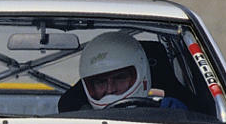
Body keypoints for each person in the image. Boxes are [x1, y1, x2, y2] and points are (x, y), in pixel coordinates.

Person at [58, 32, 186, 112]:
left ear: (142, 76)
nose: (110, 89)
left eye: (119, 78)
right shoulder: (76, 122)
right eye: (100, 82)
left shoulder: (171, 112)